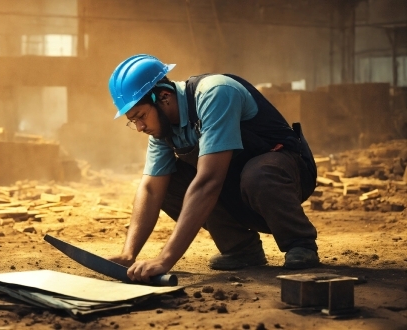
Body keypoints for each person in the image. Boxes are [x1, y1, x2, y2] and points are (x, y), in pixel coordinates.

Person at [107, 54, 320, 284]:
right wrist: (129, 254)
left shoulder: (215, 93)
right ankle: (240, 248)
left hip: (283, 178)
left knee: (257, 173)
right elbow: (150, 189)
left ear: (164, 97)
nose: (139, 127)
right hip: (237, 188)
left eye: (141, 116)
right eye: (133, 121)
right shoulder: (163, 128)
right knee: (166, 182)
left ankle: (300, 243)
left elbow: (209, 182)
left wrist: (165, 260)